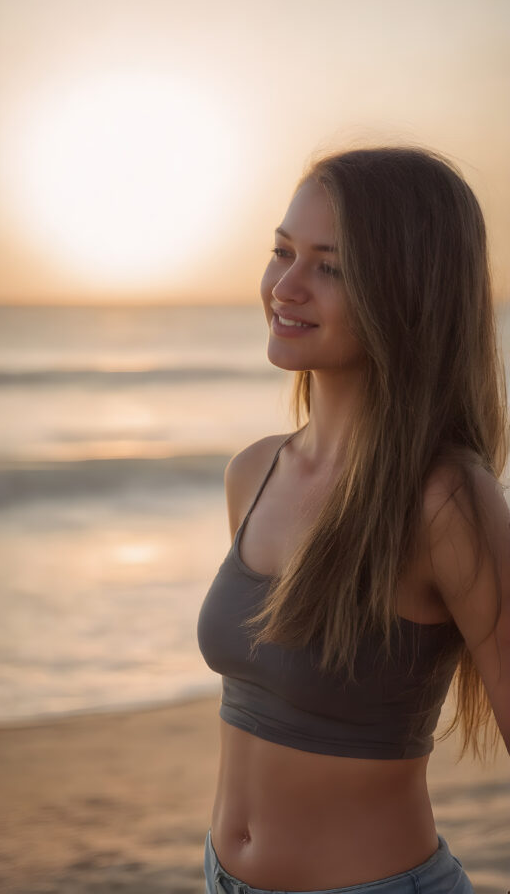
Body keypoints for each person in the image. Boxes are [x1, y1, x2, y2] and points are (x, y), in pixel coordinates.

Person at [197, 146, 509, 894]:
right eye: (282, 252)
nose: (285, 287)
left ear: (405, 292)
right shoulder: (254, 473)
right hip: (221, 878)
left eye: (330, 268)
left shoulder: (445, 502)